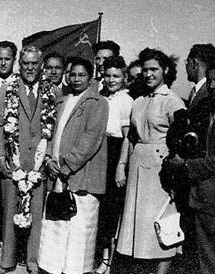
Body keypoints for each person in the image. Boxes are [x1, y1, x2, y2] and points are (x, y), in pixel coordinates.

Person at [116, 48, 185, 274]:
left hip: (160, 170)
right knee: (140, 229)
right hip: (138, 168)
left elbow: (185, 137)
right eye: (145, 70)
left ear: (165, 70)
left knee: (161, 224)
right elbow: (131, 137)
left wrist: (175, 171)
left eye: (154, 69)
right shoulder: (140, 101)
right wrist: (122, 166)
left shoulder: (172, 101)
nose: (148, 74)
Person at [0, 45, 59, 274]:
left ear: (41, 66)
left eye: (34, 64)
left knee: (37, 214)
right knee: (10, 211)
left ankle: (33, 259)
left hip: (39, 161)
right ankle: (7, 261)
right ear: (20, 65)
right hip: (14, 159)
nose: (30, 68)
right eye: (26, 64)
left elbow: (56, 128)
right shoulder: (7, 88)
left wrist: (47, 155)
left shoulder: (53, 91)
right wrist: (0, 155)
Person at [38, 57, 108, 274]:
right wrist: (49, 159)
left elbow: (90, 140)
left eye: (82, 75)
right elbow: (50, 135)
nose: (76, 79)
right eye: (73, 74)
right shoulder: (61, 101)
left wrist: (67, 166)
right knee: (57, 229)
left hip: (80, 176)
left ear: (90, 77)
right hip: (56, 173)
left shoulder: (97, 103)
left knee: (79, 232)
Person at [164, 63, 215, 274]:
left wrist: (184, 165)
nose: (213, 85)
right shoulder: (211, 110)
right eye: (211, 80)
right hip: (203, 197)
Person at [94, 56, 133, 274]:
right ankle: (101, 255)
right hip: (100, 151)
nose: (110, 80)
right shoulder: (102, 96)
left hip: (116, 152)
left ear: (124, 77)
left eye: (115, 76)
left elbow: (128, 137)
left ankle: (109, 260)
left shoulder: (126, 100)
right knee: (101, 209)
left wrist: (120, 166)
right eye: (107, 75)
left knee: (111, 209)